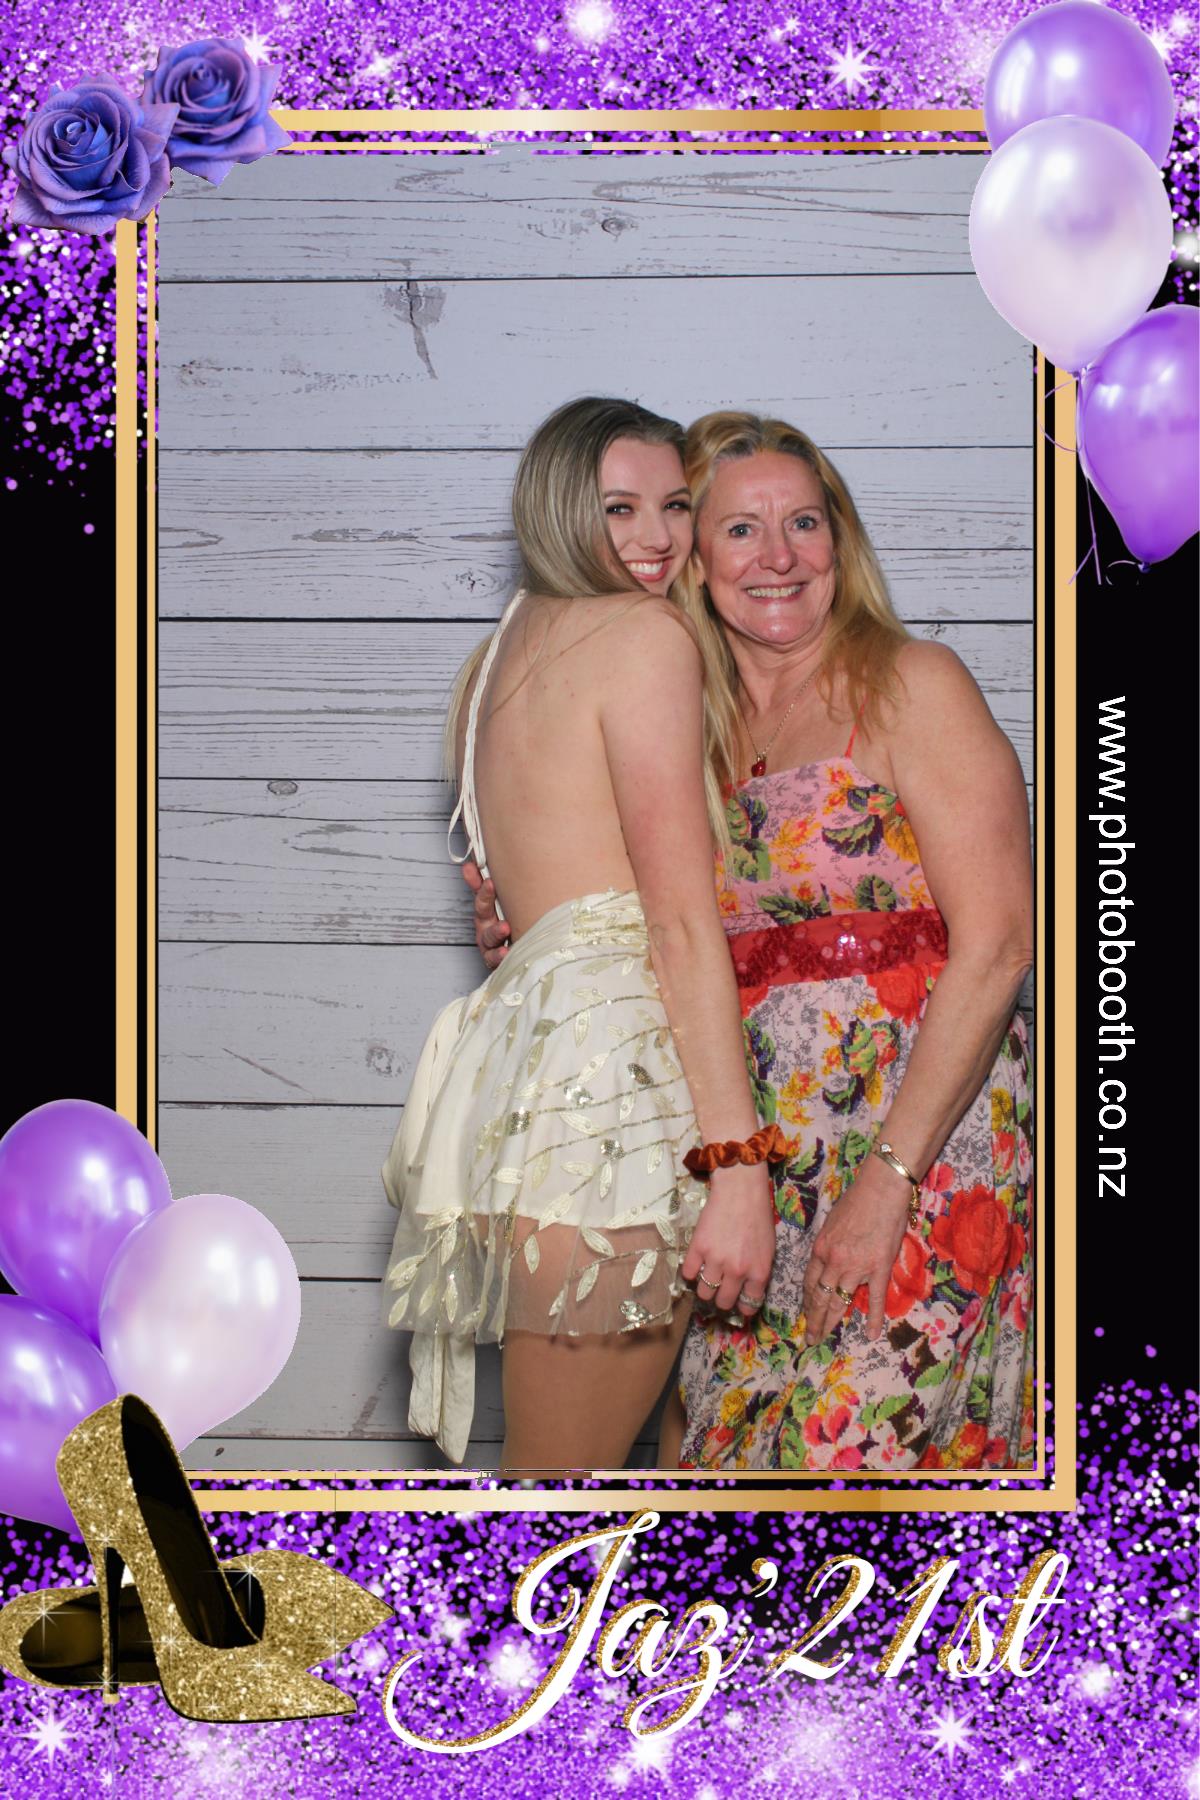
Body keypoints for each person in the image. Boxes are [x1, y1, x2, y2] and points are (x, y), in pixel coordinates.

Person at [472, 410, 1036, 1473]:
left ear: (841, 542)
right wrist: (522, 915)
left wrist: (889, 1180)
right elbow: (636, 909)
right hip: (749, 1162)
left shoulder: (912, 684)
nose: (779, 556)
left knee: (856, 1459)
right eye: (740, 529)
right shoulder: (685, 720)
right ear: (695, 554)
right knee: (729, 1474)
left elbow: (1003, 943)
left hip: (921, 1150)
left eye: (805, 523)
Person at [379, 397, 777, 1474]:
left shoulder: (501, 651)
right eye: (620, 509)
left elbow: (523, 905)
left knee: (596, 1479)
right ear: (559, 508)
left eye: (677, 506)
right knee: (557, 1497)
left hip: (532, 1091)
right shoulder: (644, 637)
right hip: (618, 1101)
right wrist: (740, 1167)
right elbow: (677, 924)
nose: (659, 538)